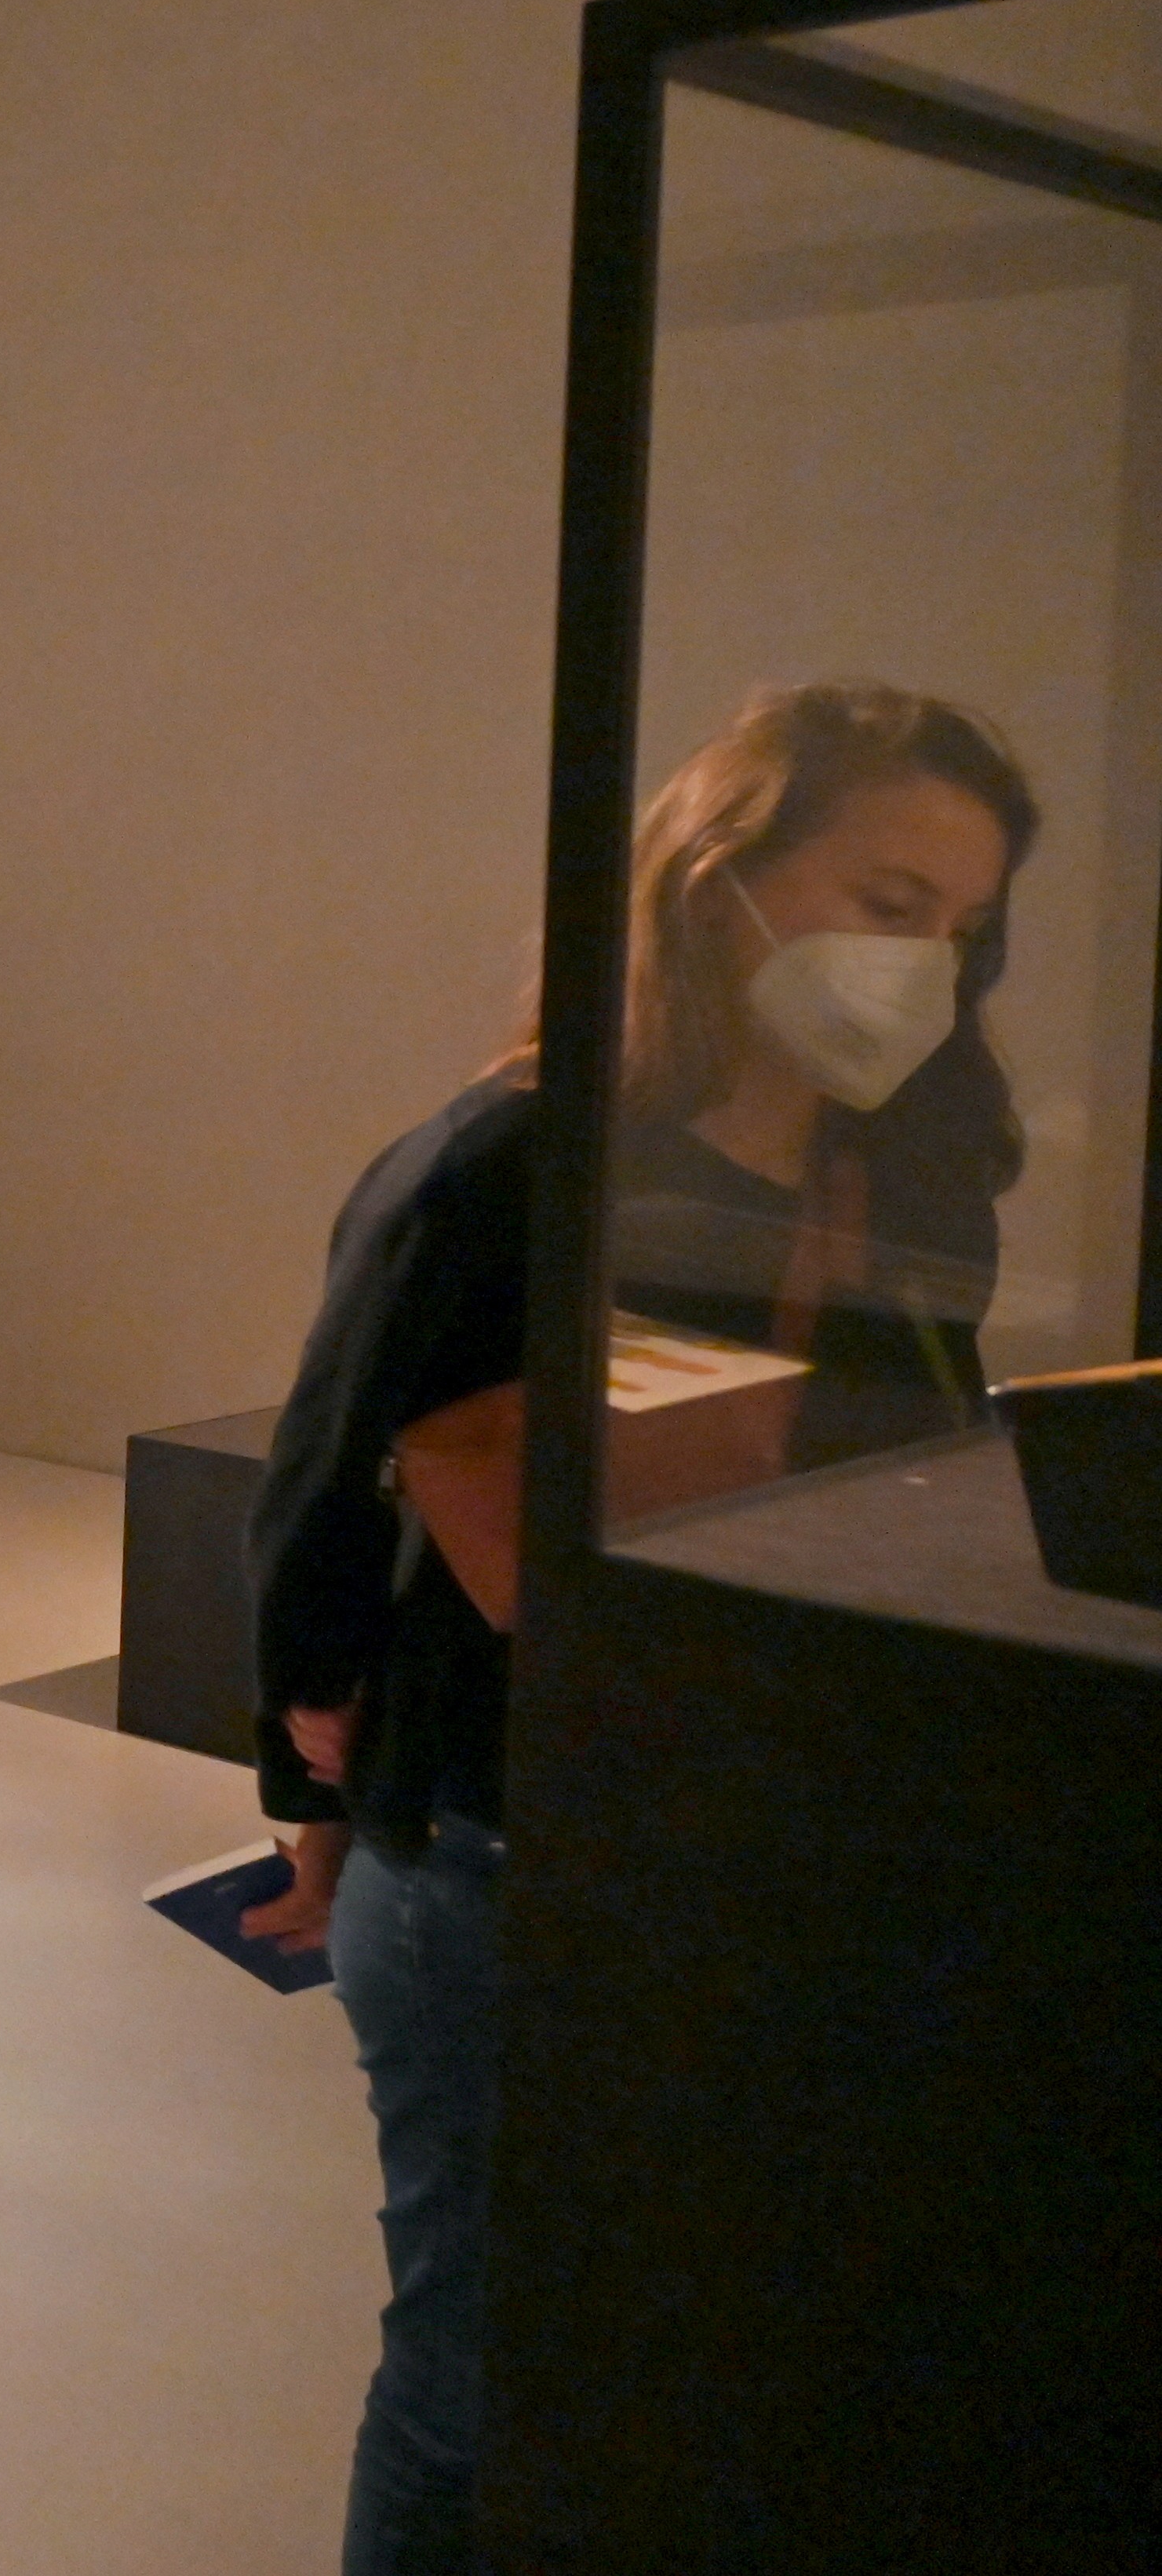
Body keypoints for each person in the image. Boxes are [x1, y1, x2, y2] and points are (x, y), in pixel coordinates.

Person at [235, 680, 1037, 2576]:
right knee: (477, 2368)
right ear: (719, 874)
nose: (925, 962)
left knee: (674, 2338)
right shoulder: (507, 1163)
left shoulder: (906, 1171)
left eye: (963, 924)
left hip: (760, 1834)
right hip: (504, 1834)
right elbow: (322, 1495)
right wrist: (314, 1796)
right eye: (891, 898)